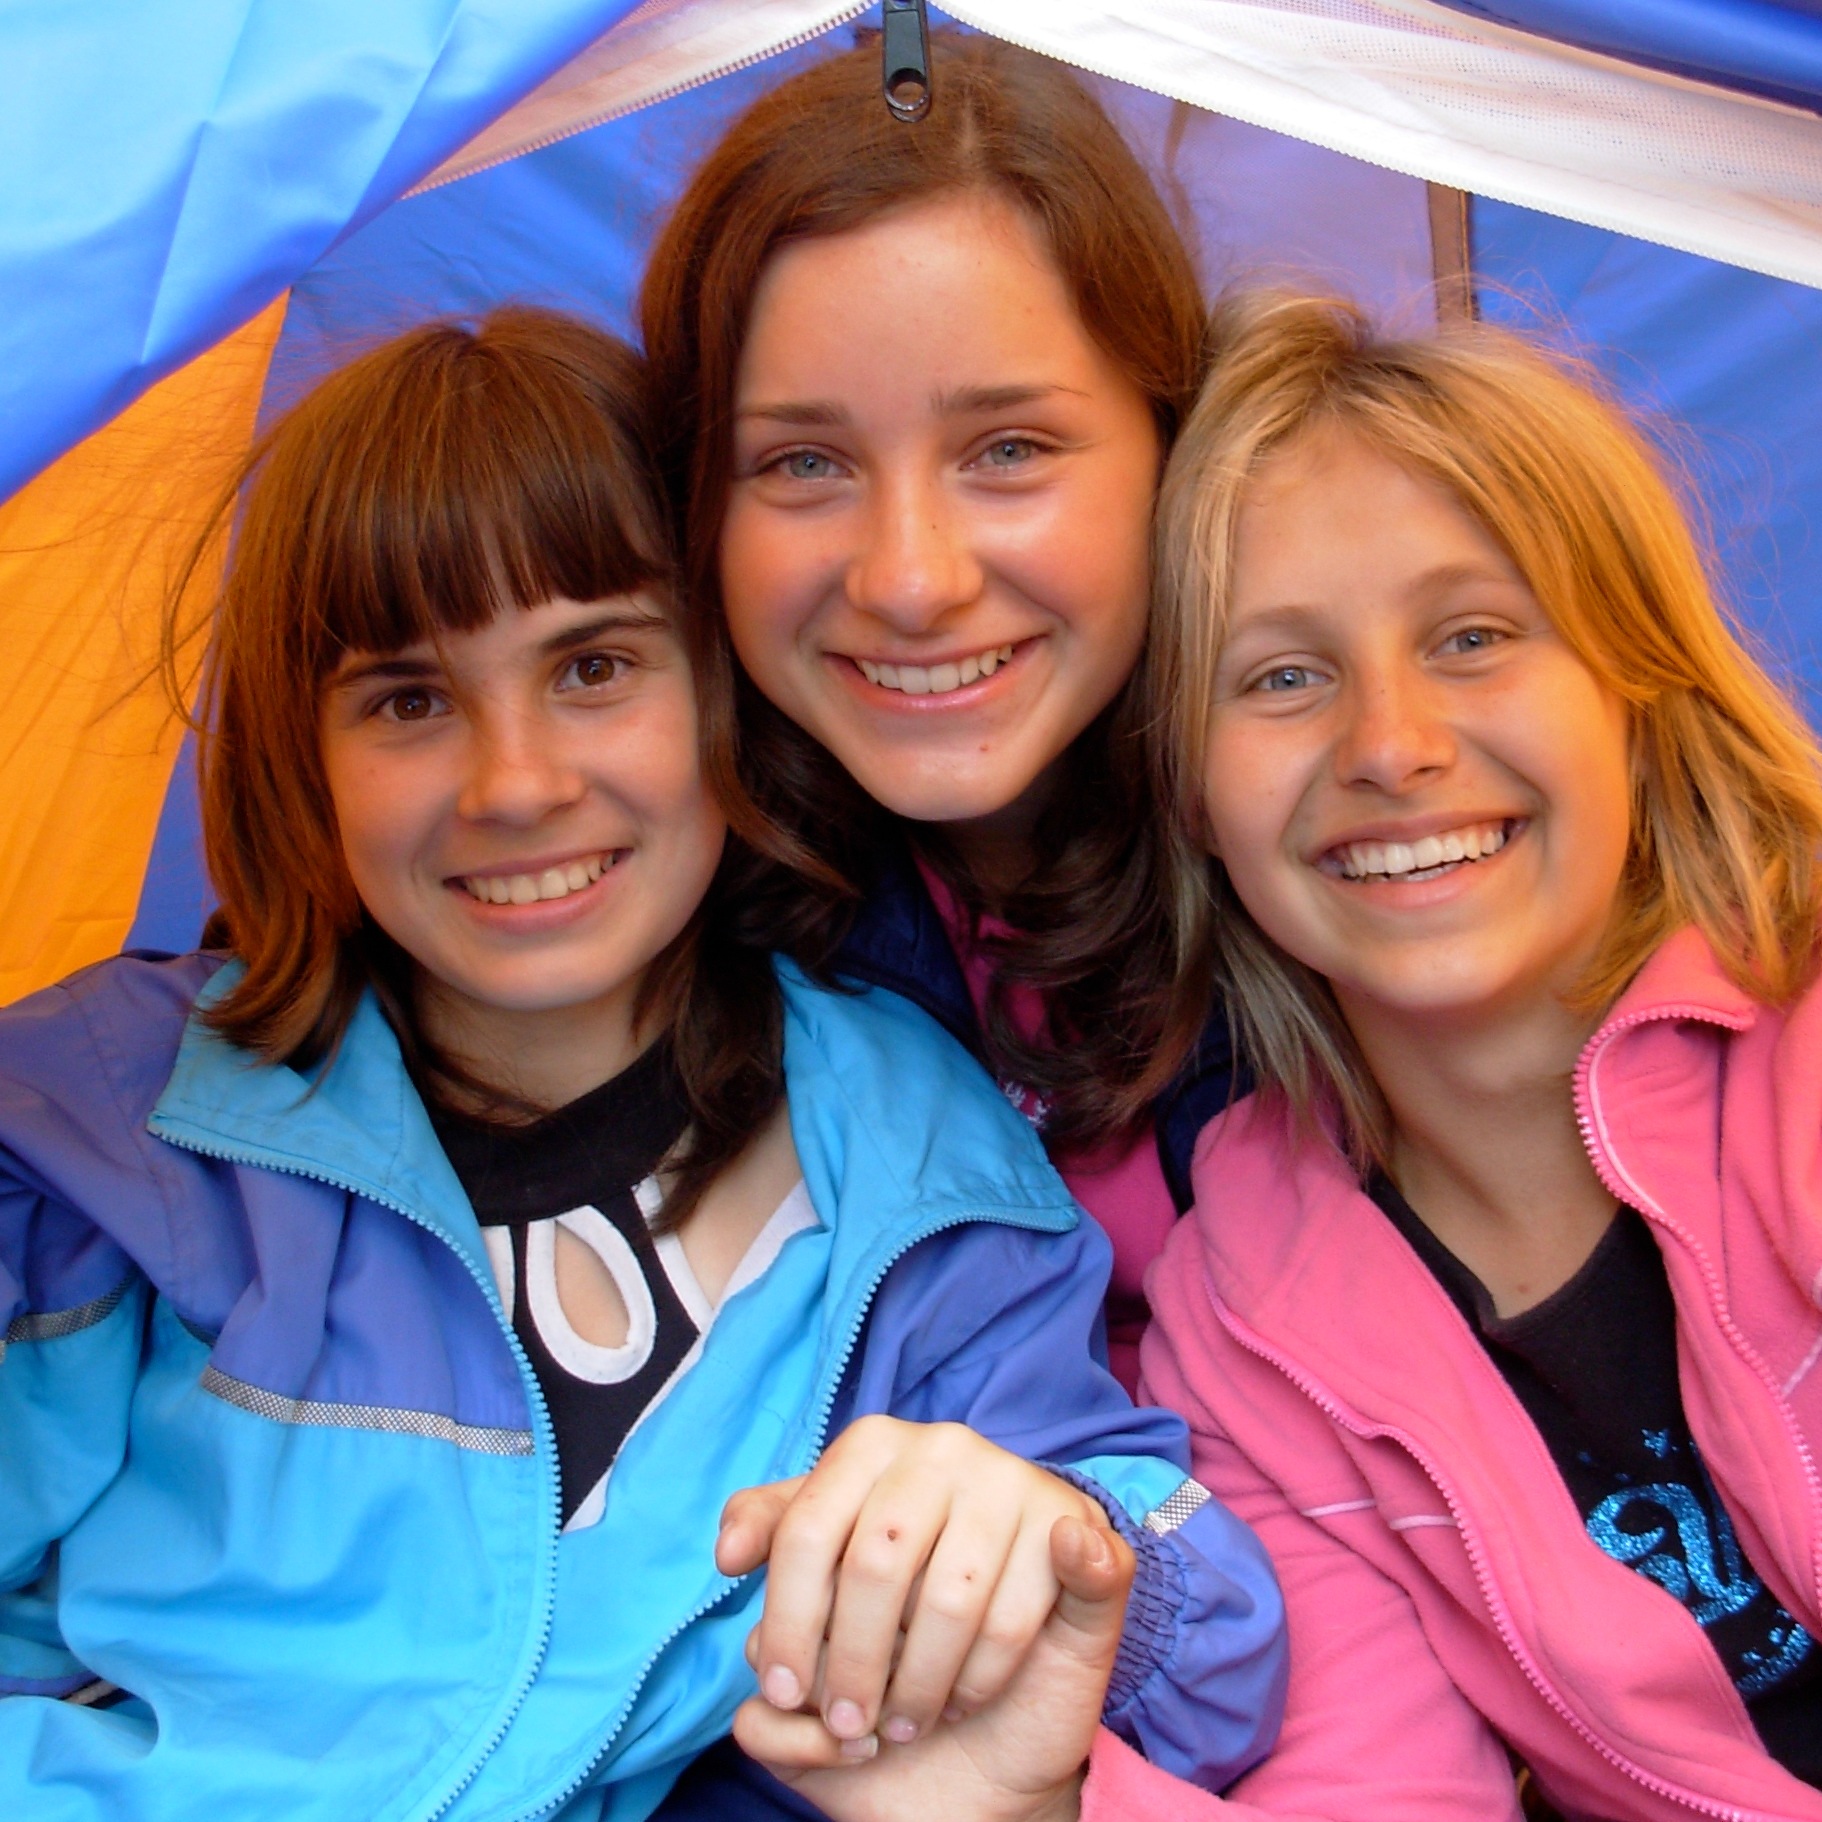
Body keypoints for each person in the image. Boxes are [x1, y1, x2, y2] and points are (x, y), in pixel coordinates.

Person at [0, 310, 1285, 1820]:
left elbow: (1199, 1637)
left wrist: (1044, 1533)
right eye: (408, 700)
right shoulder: (106, 1127)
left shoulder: (911, 1162)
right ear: (304, 755)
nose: (516, 783)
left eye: (595, 666)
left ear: (722, 687)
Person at [1104, 288, 1822, 1818]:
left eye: (1473, 637)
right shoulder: (1235, 1324)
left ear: (1635, 685)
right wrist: (1029, 1791)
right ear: (1192, 795)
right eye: (1281, 675)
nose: (1390, 743)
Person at [639, 31, 1229, 1404]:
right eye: (802, 462)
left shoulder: (1362, 834)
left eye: (1007, 449)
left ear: (1171, 439)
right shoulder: (633, 903)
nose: (909, 580)